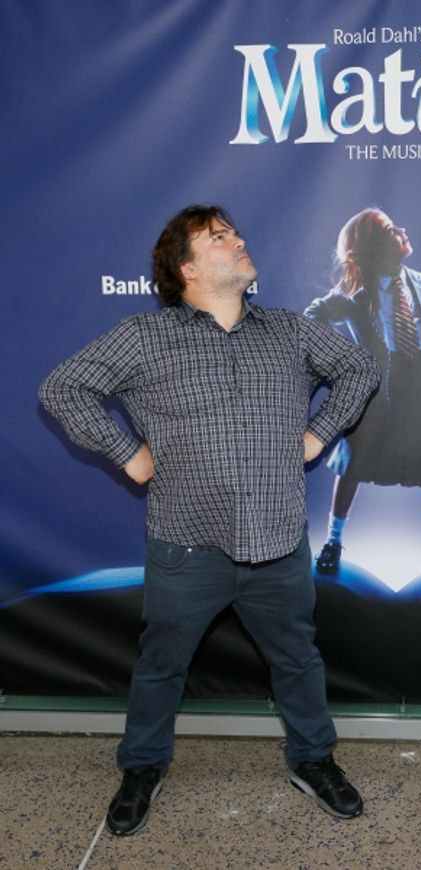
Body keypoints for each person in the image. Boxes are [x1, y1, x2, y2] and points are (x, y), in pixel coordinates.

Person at [39, 204, 380, 835]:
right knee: (161, 663)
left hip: (278, 542)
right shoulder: (143, 336)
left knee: (297, 659)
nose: (239, 240)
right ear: (187, 268)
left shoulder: (290, 330)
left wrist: (318, 434)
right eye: (219, 237)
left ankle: (313, 759)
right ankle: (142, 766)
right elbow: (63, 387)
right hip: (187, 545)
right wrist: (129, 455)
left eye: (236, 232)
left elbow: (359, 369)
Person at [304, 207, 421, 576]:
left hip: (417, 384)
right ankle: (333, 543)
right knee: (352, 464)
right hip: (376, 387)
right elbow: (314, 317)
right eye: (389, 230)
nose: (401, 231)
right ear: (373, 247)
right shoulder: (356, 296)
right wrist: (344, 361)